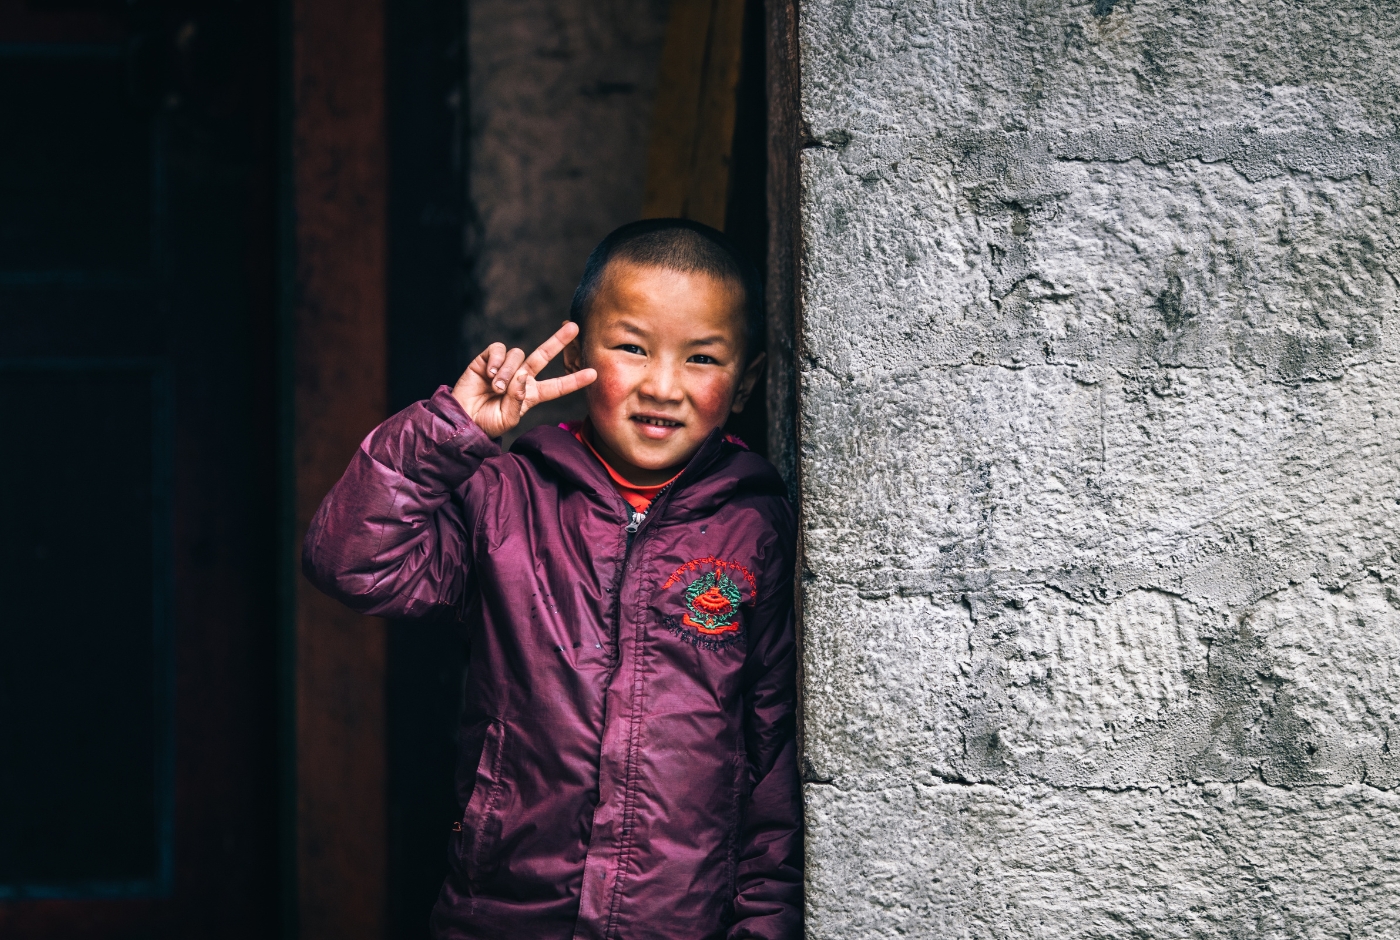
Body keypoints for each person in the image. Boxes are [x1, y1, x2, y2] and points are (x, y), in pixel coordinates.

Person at [303, 218, 801, 939]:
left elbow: (773, 770)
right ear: (577, 347)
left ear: (748, 379)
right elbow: (349, 560)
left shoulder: (756, 533)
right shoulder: (506, 499)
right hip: (501, 915)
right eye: (631, 348)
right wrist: (452, 431)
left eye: (702, 359)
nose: (663, 385)